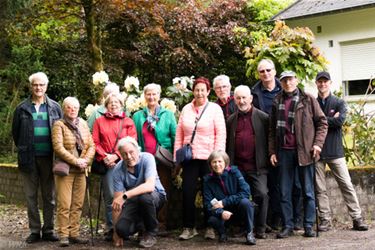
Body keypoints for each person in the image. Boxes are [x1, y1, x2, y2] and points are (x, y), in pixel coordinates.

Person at [269, 71, 328, 238]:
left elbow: (322, 122)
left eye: (291, 79)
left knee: (308, 191)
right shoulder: (277, 100)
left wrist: (317, 144)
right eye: (284, 80)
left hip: (305, 152)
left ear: (297, 80)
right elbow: (272, 129)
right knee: (284, 191)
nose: (288, 82)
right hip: (283, 152)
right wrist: (272, 151)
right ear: (280, 82)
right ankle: (287, 225)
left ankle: (308, 225)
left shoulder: (308, 99)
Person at [12, 72, 62, 243]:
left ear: (46, 87)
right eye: (35, 85)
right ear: (31, 86)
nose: (38, 88)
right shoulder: (21, 108)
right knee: (30, 196)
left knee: (50, 196)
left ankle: (48, 230)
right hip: (29, 158)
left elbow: (61, 131)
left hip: (49, 158)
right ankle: (34, 230)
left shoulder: (55, 107)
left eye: (41, 85)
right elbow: (16, 134)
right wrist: (26, 149)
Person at [315, 71, 368, 231]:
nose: (322, 84)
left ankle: (357, 218)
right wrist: (328, 120)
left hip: (336, 152)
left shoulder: (339, 102)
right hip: (317, 152)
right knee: (320, 189)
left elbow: (339, 121)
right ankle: (325, 220)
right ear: (316, 84)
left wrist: (321, 120)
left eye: (325, 81)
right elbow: (310, 123)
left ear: (330, 83)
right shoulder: (313, 103)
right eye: (320, 82)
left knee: (346, 185)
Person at [174, 77, 226, 240]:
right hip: (190, 158)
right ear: (193, 91)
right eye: (197, 90)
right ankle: (189, 227)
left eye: (203, 90)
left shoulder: (215, 109)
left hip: (209, 158)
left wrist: (218, 157)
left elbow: (221, 133)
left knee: (209, 194)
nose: (200, 93)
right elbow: (179, 134)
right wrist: (177, 157)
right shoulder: (186, 109)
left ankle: (210, 226)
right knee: (187, 192)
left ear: (208, 91)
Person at [92, 92, 137, 241]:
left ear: (121, 104)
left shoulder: (128, 121)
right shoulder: (99, 121)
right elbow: (95, 142)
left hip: (125, 162)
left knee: (127, 195)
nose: (113, 105)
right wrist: (105, 156)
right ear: (106, 106)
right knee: (111, 196)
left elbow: (132, 141)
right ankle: (112, 228)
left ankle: (126, 227)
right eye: (110, 103)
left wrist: (117, 155)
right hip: (108, 164)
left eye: (116, 102)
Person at [226, 85, 269, 239]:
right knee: (238, 196)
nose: (241, 101)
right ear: (235, 100)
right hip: (238, 168)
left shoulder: (263, 118)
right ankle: (242, 227)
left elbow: (269, 140)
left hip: (257, 167)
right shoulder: (231, 120)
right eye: (238, 98)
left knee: (262, 194)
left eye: (244, 97)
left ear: (251, 99)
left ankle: (261, 228)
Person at [52, 97, 96, 247]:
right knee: (64, 204)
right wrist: (76, 161)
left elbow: (91, 145)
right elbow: (58, 148)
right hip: (66, 171)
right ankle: (63, 235)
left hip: (82, 170)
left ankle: (74, 233)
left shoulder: (83, 123)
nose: (72, 110)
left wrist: (85, 161)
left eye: (75, 107)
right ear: (64, 108)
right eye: (69, 107)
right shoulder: (59, 125)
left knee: (77, 204)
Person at [132, 83, 176, 231]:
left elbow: (175, 136)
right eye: (148, 94)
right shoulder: (138, 116)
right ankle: (145, 224)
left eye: (154, 94)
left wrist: (175, 160)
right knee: (144, 192)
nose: (151, 97)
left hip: (162, 160)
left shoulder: (168, 115)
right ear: (144, 96)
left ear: (159, 95)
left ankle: (161, 223)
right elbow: (133, 139)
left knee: (163, 191)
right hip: (144, 161)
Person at [112, 137, 166, 248]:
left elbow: (149, 186)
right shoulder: (118, 169)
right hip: (134, 201)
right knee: (121, 229)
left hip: (155, 196)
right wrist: (116, 233)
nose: (129, 157)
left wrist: (125, 195)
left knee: (144, 198)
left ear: (137, 150)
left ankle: (150, 233)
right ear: (121, 155)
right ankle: (141, 226)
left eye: (131, 152)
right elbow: (117, 202)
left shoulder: (147, 158)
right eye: (124, 154)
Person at [203, 150, 256, 245]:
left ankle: (249, 233)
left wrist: (224, 202)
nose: (217, 164)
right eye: (214, 162)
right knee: (212, 220)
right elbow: (208, 204)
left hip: (238, 209)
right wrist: (221, 212)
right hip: (223, 214)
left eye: (220, 161)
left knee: (246, 203)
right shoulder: (207, 181)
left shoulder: (235, 172)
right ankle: (222, 234)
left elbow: (246, 192)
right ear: (210, 164)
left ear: (225, 162)